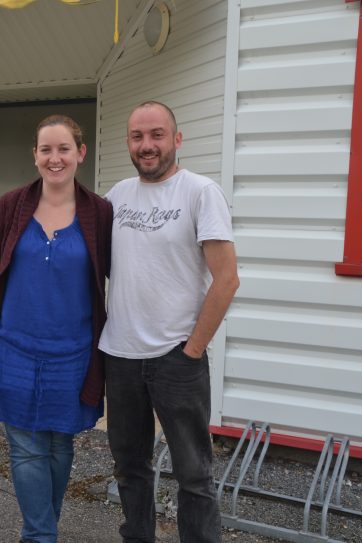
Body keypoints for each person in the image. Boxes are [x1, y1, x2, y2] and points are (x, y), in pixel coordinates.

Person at [0, 115, 112, 543]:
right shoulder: (11, 207)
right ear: (35, 155)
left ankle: (44, 528)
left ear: (80, 153)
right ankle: (40, 536)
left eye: (63, 149)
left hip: (74, 353)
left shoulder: (99, 213)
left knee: (59, 446)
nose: (55, 158)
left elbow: (125, 273)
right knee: (26, 448)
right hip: (14, 349)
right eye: (46, 150)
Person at [99, 101, 239, 543]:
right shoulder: (116, 197)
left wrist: (193, 349)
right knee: (129, 467)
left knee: (194, 474)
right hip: (120, 356)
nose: (147, 145)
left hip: (176, 357)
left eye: (157, 135)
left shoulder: (199, 192)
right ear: (128, 143)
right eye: (138, 137)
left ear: (177, 139)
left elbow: (227, 279)